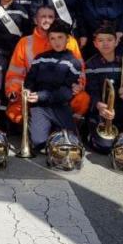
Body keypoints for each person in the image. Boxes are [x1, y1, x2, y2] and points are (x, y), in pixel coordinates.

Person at [5, 6, 89, 125]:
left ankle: (66, 129)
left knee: (82, 99)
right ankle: (34, 128)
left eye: (50, 17)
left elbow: (80, 70)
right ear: (35, 20)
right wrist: (15, 91)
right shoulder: (25, 42)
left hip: (61, 92)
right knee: (14, 111)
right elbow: (15, 72)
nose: (47, 20)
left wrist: (78, 85)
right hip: (34, 90)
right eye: (43, 17)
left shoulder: (70, 41)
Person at [23, 20, 82, 153]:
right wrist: (27, 89)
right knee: (38, 142)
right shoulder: (40, 58)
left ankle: (59, 129)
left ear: (68, 39)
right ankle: (50, 131)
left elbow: (66, 93)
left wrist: (40, 96)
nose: (57, 42)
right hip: (39, 107)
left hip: (59, 106)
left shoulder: (73, 62)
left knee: (71, 143)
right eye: (52, 38)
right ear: (48, 40)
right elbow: (30, 78)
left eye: (60, 37)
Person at [85, 24, 123, 146]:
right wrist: (98, 104)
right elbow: (91, 90)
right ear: (95, 44)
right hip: (102, 111)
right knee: (105, 146)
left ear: (116, 42)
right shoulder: (90, 65)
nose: (105, 44)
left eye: (109, 40)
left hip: (122, 109)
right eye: (101, 40)